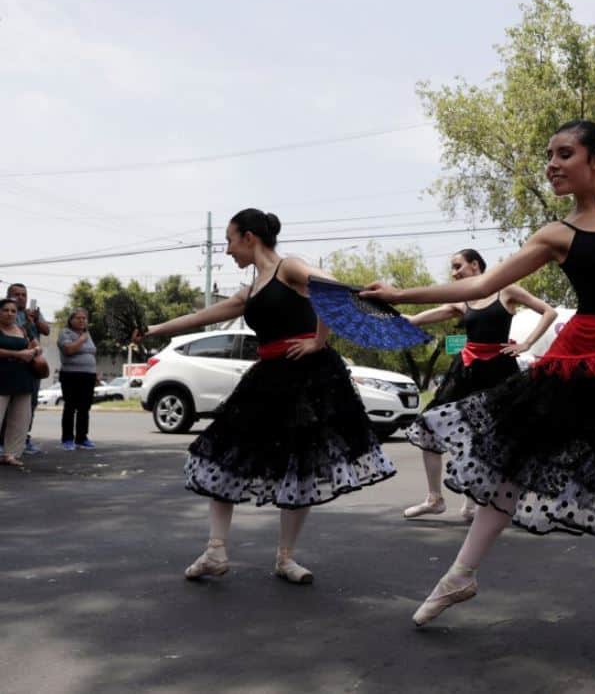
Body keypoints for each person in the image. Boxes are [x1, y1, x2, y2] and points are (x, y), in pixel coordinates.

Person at [363, 119, 595, 656]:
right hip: (579, 360)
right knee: (516, 459)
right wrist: (400, 295)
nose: (552, 164)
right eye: (549, 155)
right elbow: (481, 285)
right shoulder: (556, 235)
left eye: (564, 153)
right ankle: (458, 577)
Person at [136, 208, 395, 584]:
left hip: (309, 378)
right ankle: (215, 551)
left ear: (249, 238)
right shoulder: (252, 288)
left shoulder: (289, 268)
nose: (227, 251)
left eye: (229, 241)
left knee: (301, 464)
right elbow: (203, 317)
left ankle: (285, 558)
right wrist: (154, 328)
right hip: (268, 377)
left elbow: (333, 288)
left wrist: (318, 341)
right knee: (223, 452)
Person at [402, 248, 557, 522]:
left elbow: (548, 312)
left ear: (475, 265)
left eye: (458, 266)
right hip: (466, 370)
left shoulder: (506, 290)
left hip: (499, 370)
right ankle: (434, 498)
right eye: (452, 268)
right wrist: (408, 320)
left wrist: (527, 343)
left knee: (493, 436)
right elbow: (438, 311)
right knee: (427, 424)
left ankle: (475, 501)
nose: (454, 272)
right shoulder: (463, 299)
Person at [6, 283, 50, 454]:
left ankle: (24, 437)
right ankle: (4, 441)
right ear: (9, 296)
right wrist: (27, 323)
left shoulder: (34, 313)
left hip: (32, 365)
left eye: (24, 294)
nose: (21, 297)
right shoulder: (7, 312)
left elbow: (46, 330)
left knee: (29, 403)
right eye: (16, 294)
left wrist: (35, 319)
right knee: (8, 404)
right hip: (11, 364)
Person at [0, 298, 40, 468]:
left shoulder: (22, 329)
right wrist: (17, 355)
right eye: (5, 310)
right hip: (1, 378)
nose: (10, 313)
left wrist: (35, 350)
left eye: (13, 311)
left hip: (23, 378)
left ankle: (11, 454)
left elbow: (35, 345)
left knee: (21, 419)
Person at [57, 307, 98, 450]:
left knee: (84, 407)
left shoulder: (87, 333)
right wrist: (81, 340)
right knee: (70, 406)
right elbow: (68, 350)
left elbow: (92, 353)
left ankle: (82, 438)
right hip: (71, 374)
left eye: (84, 318)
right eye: (78, 318)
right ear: (71, 320)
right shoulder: (65, 333)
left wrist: (95, 371)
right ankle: (67, 439)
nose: (82, 321)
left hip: (88, 375)